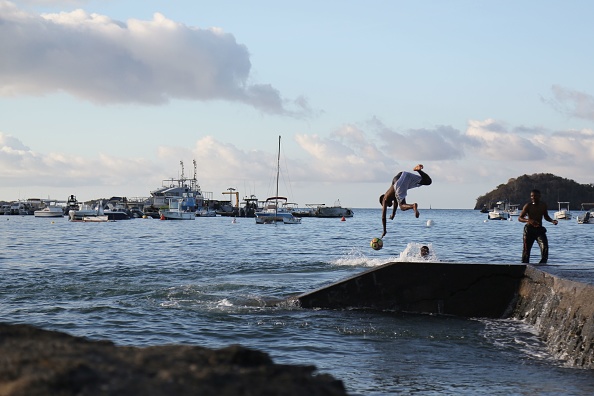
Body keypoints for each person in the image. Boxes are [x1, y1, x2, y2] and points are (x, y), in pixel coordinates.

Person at [380, 164, 432, 238]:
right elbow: (396, 203)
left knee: (402, 207)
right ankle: (418, 170)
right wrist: (393, 214)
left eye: (387, 205)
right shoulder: (392, 195)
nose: (388, 206)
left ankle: (413, 206)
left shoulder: (384, 199)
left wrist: (384, 230)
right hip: (403, 174)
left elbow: (383, 217)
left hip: (398, 183)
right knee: (427, 181)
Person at [518, 189, 558, 264]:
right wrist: (529, 220)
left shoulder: (543, 205)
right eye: (532, 196)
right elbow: (520, 218)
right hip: (529, 230)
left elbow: (546, 216)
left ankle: (542, 265)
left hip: (539, 230)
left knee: (545, 247)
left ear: (539, 196)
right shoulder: (528, 206)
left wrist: (552, 221)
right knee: (526, 250)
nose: (533, 197)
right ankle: (525, 265)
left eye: (535, 196)